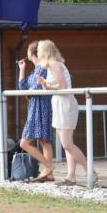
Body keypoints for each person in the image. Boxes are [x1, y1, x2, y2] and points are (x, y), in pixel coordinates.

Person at [35, 40, 91, 186]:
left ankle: (90, 171)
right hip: (59, 104)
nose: (38, 53)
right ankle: (71, 176)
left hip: (65, 104)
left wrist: (48, 84)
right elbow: (51, 88)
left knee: (67, 144)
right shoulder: (49, 66)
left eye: (39, 50)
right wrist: (44, 84)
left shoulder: (54, 64)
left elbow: (62, 85)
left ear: (45, 51)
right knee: (67, 144)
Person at [17, 41, 54, 181]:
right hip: (34, 107)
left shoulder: (42, 68)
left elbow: (38, 87)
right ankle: (49, 172)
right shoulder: (34, 70)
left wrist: (30, 92)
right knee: (44, 141)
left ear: (30, 53)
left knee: (26, 143)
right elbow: (23, 86)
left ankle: (48, 167)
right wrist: (22, 69)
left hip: (41, 106)